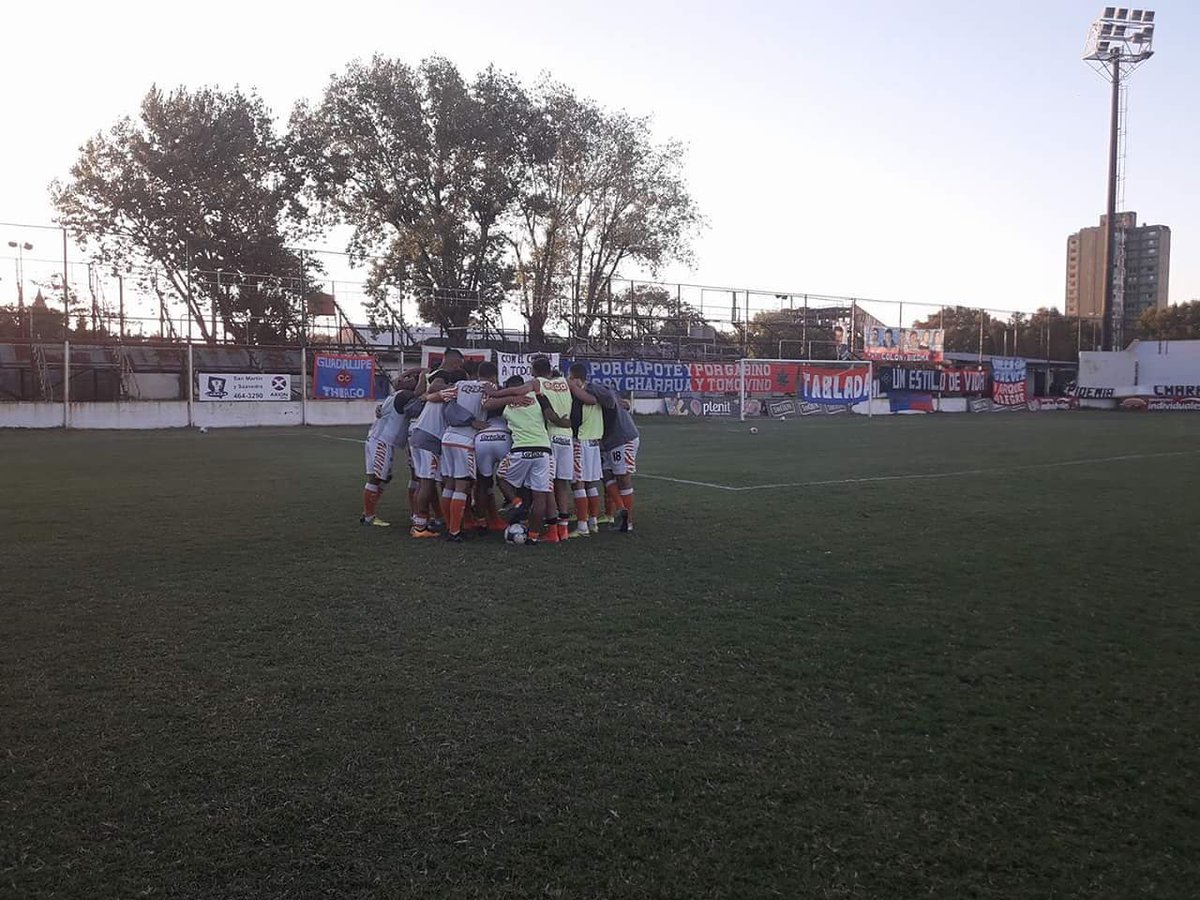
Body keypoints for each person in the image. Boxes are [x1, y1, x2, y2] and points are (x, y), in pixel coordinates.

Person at [493, 356, 575, 541]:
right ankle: (557, 531)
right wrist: (566, 422)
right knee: (557, 487)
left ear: (534, 371)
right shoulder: (563, 383)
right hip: (563, 438)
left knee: (545, 488)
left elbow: (497, 400)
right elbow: (578, 399)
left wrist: (498, 393)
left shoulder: (535, 386)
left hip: (545, 438)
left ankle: (525, 510)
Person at [483, 376, 560, 545]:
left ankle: (517, 503)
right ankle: (533, 536)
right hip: (543, 450)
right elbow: (550, 415)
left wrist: (505, 397)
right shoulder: (538, 397)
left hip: (521, 449)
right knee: (540, 496)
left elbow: (486, 405)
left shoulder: (505, 402)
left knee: (501, 478)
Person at [360, 369, 425, 526]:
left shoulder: (395, 395)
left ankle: (367, 513)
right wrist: (422, 376)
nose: (410, 380)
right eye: (409, 378)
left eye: (412, 378)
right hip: (383, 440)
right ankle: (369, 516)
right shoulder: (404, 395)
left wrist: (408, 375)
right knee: (377, 478)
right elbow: (418, 393)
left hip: (378, 438)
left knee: (384, 477)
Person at [437, 362, 491, 542]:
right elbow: (493, 402)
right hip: (465, 440)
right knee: (462, 485)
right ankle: (454, 532)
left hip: (448, 437)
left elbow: (441, 396)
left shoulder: (459, 385)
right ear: (492, 376)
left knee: (450, 484)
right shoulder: (487, 387)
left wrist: (425, 396)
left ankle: (450, 525)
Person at [407, 367, 455, 538]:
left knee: (422, 481)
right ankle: (420, 527)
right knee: (427, 482)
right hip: (429, 438)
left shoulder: (436, 397)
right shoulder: (445, 391)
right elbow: (435, 386)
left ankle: (419, 521)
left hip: (418, 436)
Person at [592, 381, 640, 533]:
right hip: (611, 442)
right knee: (605, 474)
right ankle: (621, 509)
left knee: (623, 478)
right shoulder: (606, 394)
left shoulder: (599, 393)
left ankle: (628, 522)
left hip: (623, 439)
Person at [472, 365, 514, 533]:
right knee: (511, 480)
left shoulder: (471, 389)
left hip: (481, 437)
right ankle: (519, 511)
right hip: (503, 435)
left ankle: (480, 520)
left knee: (483, 482)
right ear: (494, 377)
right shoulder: (502, 391)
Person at [566, 363, 604, 537]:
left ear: (575, 379)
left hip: (581, 441)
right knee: (590, 483)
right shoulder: (595, 390)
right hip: (594, 441)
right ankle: (593, 522)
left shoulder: (580, 394)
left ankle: (582, 527)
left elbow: (575, 418)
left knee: (578, 483)